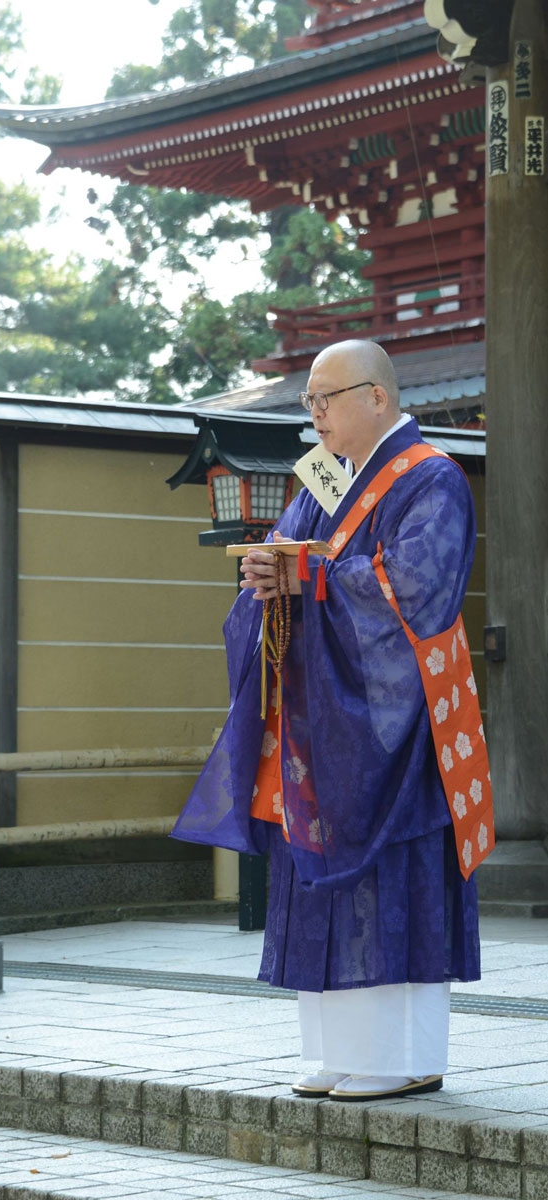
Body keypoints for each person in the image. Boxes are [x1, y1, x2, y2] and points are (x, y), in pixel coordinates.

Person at [173, 339, 491, 1101]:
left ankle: (395, 1058)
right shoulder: (319, 484)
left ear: (376, 398)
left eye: (325, 399)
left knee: (391, 875)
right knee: (316, 878)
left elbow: (419, 587)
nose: (312, 415)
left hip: (397, 721)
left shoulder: (430, 478)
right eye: (308, 401)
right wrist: (264, 576)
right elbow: (293, 557)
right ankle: (338, 1053)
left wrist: (307, 572)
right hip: (324, 721)